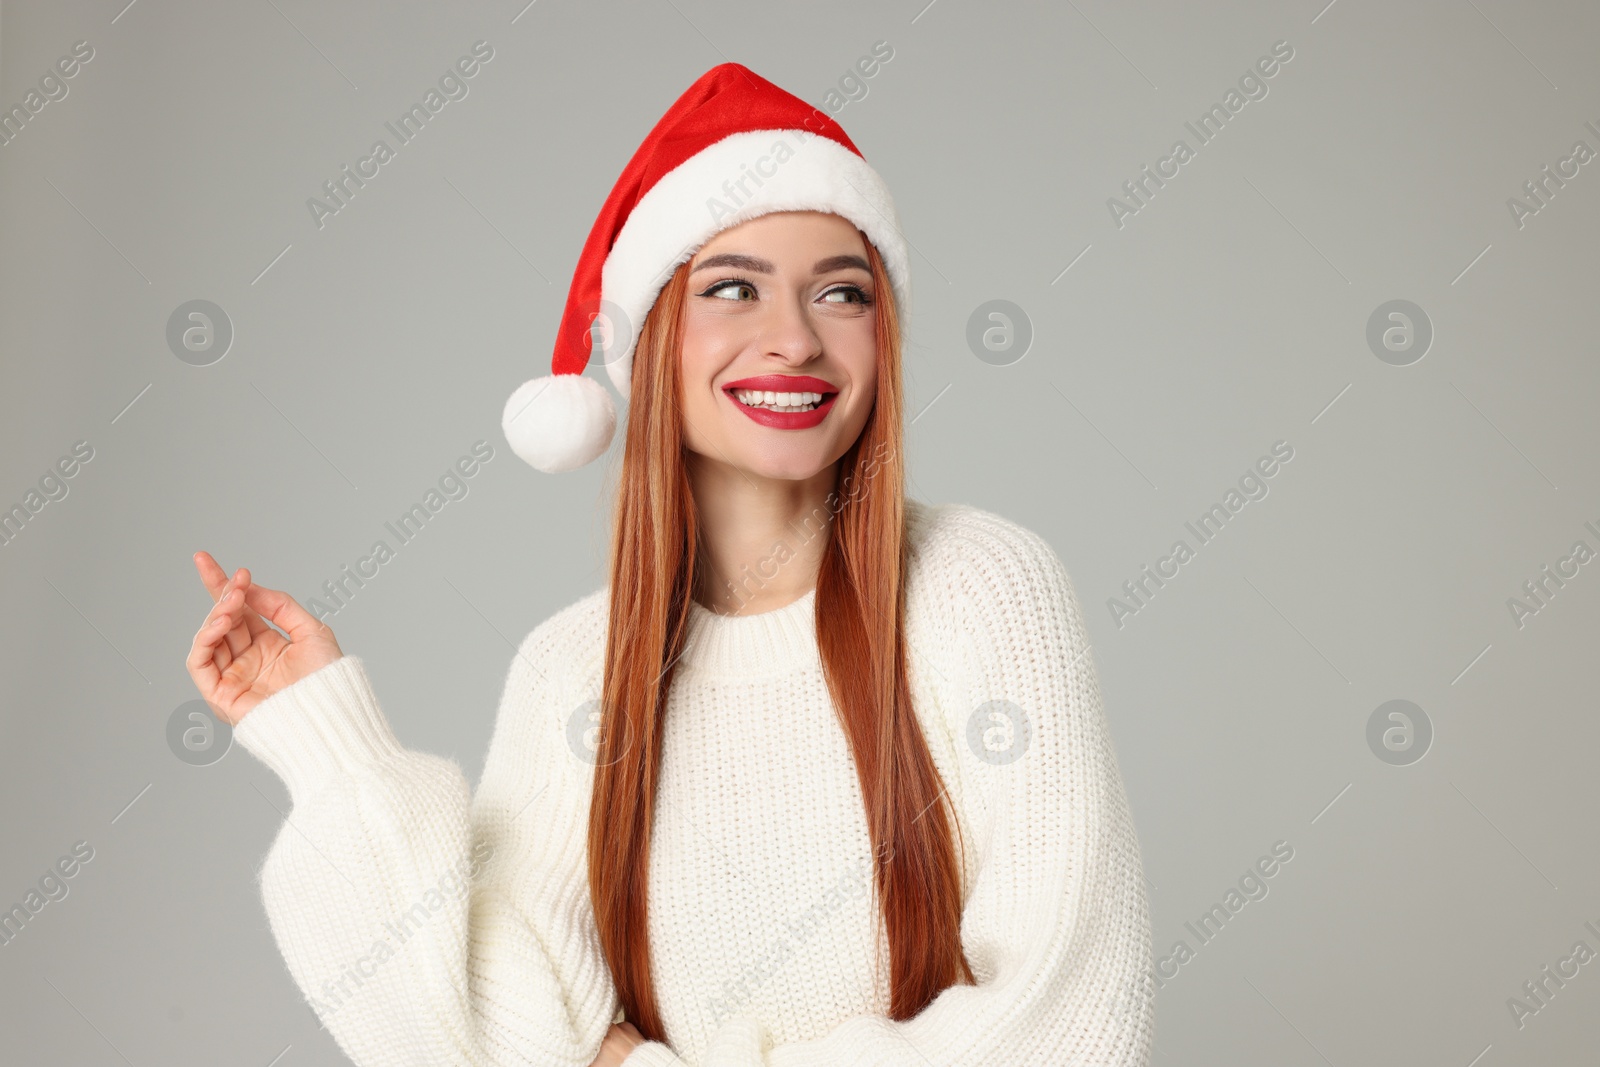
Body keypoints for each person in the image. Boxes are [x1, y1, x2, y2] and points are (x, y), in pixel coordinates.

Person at [185, 63, 1155, 1066]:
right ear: (648, 339)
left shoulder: (985, 588)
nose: (795, 337)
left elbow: (1071, 1021)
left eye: (842, 292)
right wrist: (328, 744)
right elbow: (480, 1034)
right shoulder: (573, 667)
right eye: (732, 288)